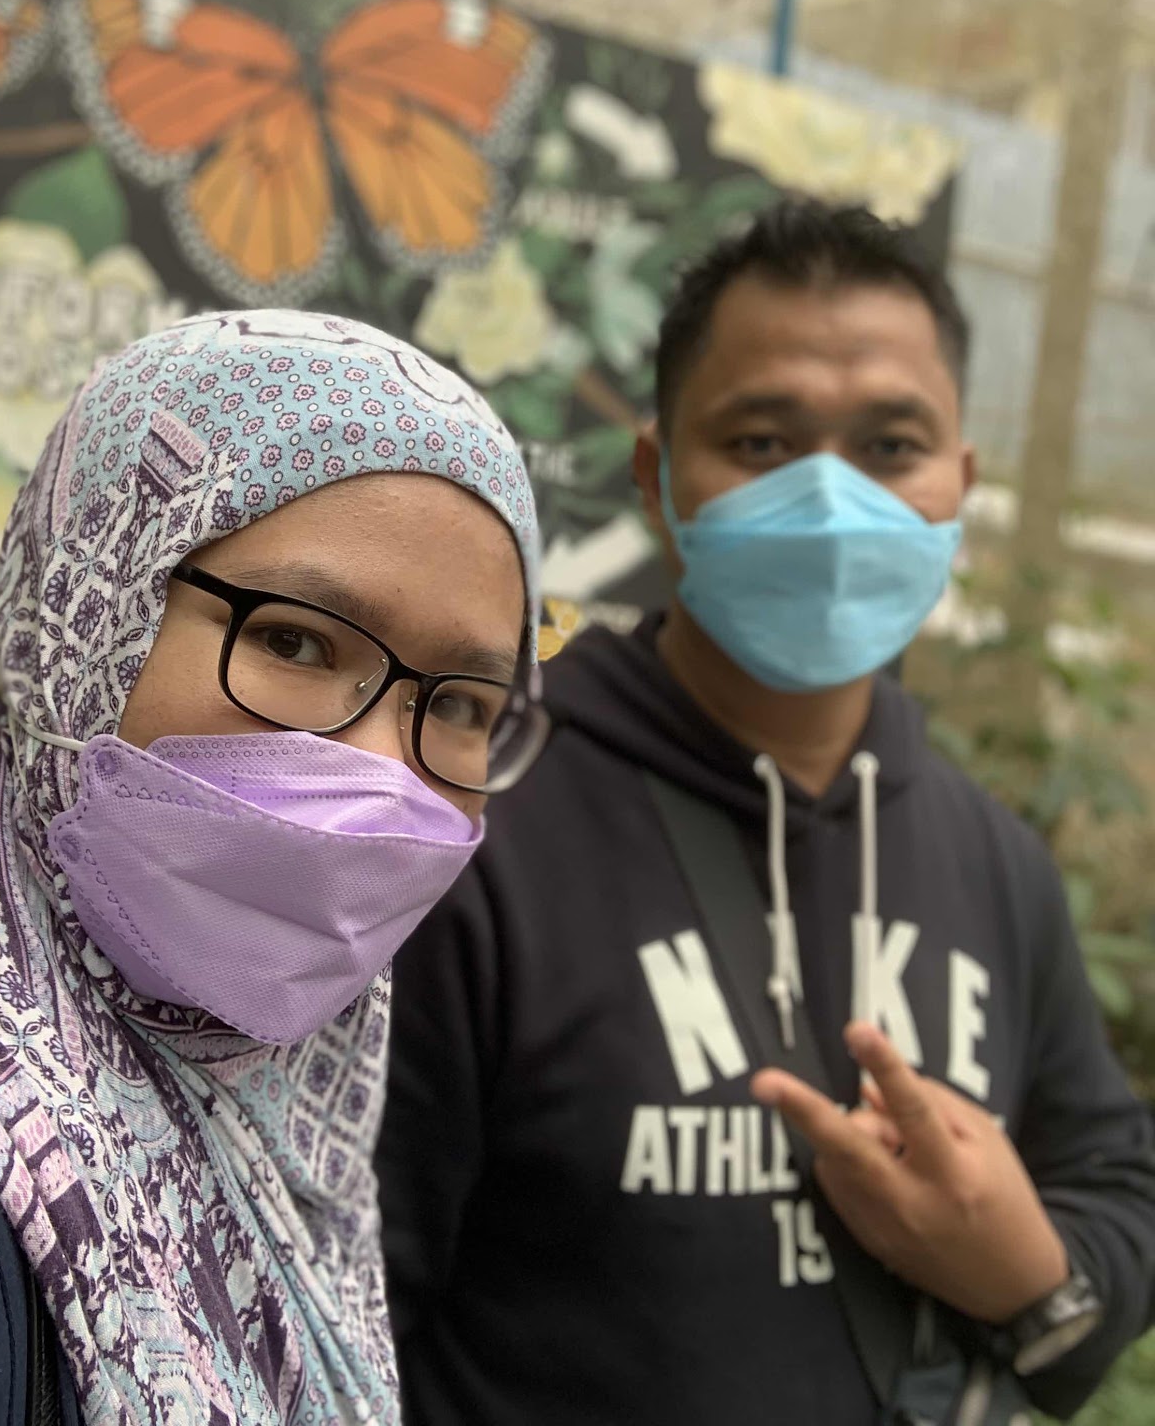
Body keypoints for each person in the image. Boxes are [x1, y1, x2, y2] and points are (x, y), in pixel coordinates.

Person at [376, 200, 1155, 1425]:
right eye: (760, 440)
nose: (830, 499)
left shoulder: (996, 860)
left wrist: (1026, 1271)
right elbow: (347, 1307)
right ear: (656, 478)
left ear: (960, 485)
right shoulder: (476, 830)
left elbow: (1117, 1178)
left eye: (891, 444)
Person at [0, 309, 547, 1426]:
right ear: (90, 610)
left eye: (463, 705)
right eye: (295, 641)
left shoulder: (292, 1122)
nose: (382, 775)